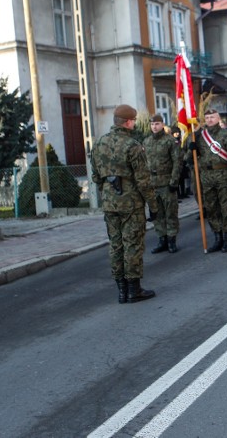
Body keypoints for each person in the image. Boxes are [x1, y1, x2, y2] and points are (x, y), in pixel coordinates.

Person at [90, 104, 159, 303]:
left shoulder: (99, 143)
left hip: (110, 204)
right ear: (128, 122)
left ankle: (121, 291)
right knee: (133, 245)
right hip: (131, 205)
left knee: (116, 245)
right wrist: (153, 206)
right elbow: (143, 181)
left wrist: (109, 192)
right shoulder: (133, 145)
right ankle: (133, 289)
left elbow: (95, 176)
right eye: (134, 121)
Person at [190, 108, 227, 252]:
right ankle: (218, 238)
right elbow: (191, 158)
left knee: (226, 209)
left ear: (218, 118)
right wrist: (190, 147)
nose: (210, 119)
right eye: (207, 117)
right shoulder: (200, 136)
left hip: (223, 174)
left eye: (212, 117)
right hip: (207, 177)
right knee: (211, 208)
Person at [143, 114, 181, 254]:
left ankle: (172, 240)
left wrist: (174, 181)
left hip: (166, 182)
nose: (154, 127)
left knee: (170, 213)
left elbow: (177, 162)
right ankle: (162, 239)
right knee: (156, 214)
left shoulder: (170, 141)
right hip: (152, 184)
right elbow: (144, 164)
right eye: (152, 124)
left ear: (162, 125)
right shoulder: (146, 142)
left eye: (157, 124)